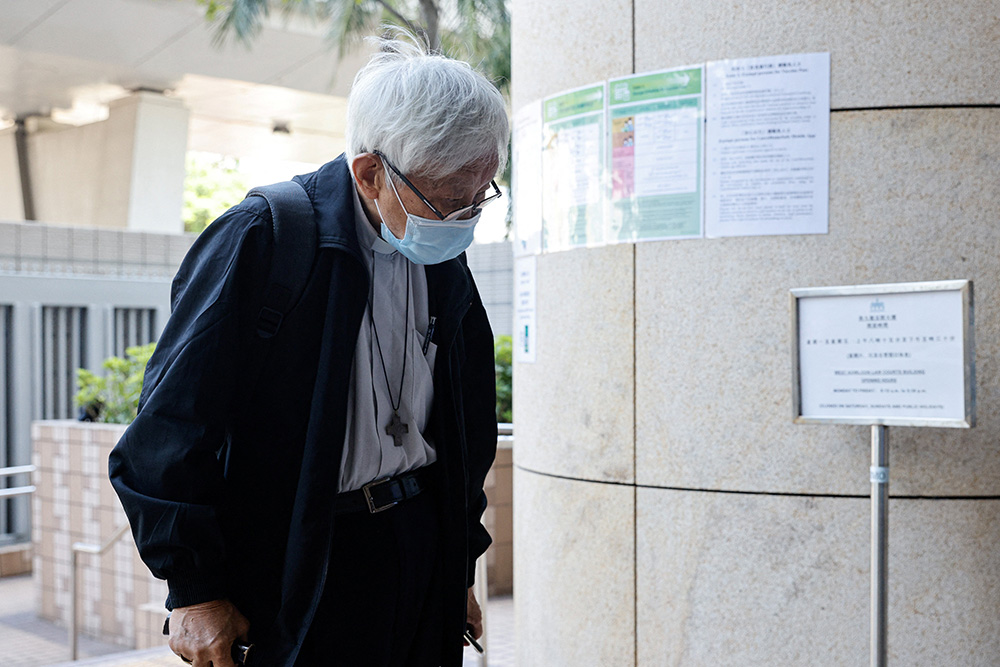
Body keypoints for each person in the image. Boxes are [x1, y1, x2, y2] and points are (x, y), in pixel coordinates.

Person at [109, 30, 507, 667]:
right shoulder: (266, 238)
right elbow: (170, 429)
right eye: (449, 199)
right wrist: (194, 588)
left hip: (416, 546)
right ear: (371, 173)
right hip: (305, 561)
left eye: (481, 195)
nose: (463, 220)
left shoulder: (440, 258)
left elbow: (467, 425)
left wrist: (455, 565)